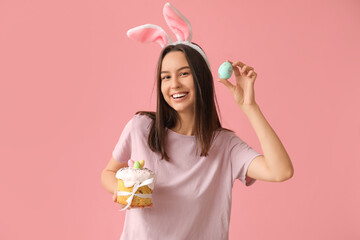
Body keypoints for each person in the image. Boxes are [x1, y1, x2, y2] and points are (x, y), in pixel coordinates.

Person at [101, 3, 294, 239]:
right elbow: (109, 172)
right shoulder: (141, 127)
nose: (174, 85)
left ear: (201, 78)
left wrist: (250, 107)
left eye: (184, 73)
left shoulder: (225, 146)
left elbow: (281, 171)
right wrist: (122, 190)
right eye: (166, 77)